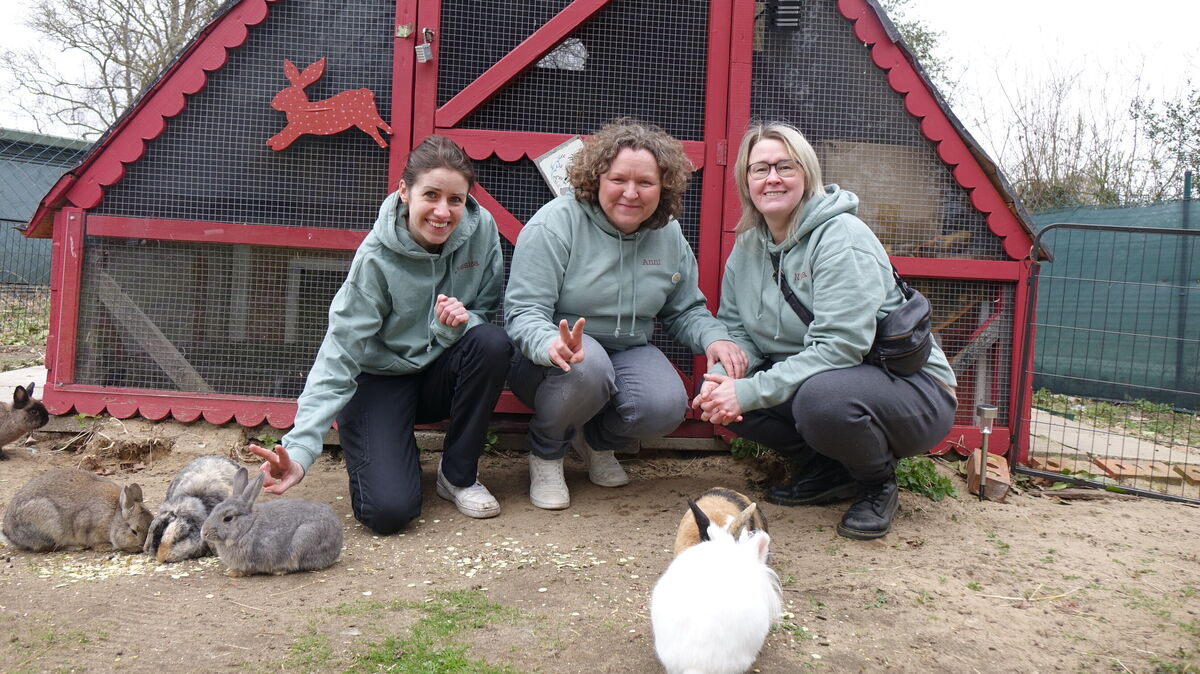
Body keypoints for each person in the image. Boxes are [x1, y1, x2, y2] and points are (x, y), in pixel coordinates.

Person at [693, 121, 958, 540]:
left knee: (821, 399)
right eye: (760, 169)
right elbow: (737, 328)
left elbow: (840, 347)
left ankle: (877, 484)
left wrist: (748, 390)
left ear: (807, 174)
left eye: (786, 166)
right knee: (720, 382)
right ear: (746, 181)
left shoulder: (841, 237)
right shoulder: (748, 246)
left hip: (910, 389)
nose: (773, 178)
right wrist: (728, 378)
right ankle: (830, 468)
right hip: (831, 381)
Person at [248, 135, 512, 533]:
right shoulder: (375, 258)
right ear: (405, 191)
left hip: (441, 371)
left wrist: (452, 326)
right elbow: (339, 354)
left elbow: (486, 309)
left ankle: (457, 476)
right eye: (432, 195)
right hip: (380, 380)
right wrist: (299, 450)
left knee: (492, 343)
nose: (443, 211)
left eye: (455, 200)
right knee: (387, 513)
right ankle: (386, 445)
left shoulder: (481, 228)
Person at [505, 118, 747, 510]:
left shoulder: (667, 233)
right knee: (588, 366)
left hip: (627, 349)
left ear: (662, 186)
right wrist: (549, 342)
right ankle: (546, 454)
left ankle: (597, 444)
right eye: (618, 179)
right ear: (596, 178)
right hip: (551, 359)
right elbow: (523, 310)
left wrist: (713, 336)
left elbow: (684, 307)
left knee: (666, 403)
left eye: (645, 183)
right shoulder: (556, 223)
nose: (631, 193)